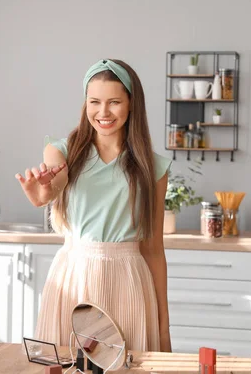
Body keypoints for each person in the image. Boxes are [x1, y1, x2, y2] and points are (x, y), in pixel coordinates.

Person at [16, 58, 172, 353]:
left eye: (114, 102)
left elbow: (153, 250)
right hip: (74, 275)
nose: (103, 112)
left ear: (131, 104)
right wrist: (43, 194)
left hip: (129, 280)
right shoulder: (62, 150)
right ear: (85, 103)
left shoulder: (154, 168)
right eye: (94, 102)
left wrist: (164, 329)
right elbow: (56, 182)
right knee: (66, 365)